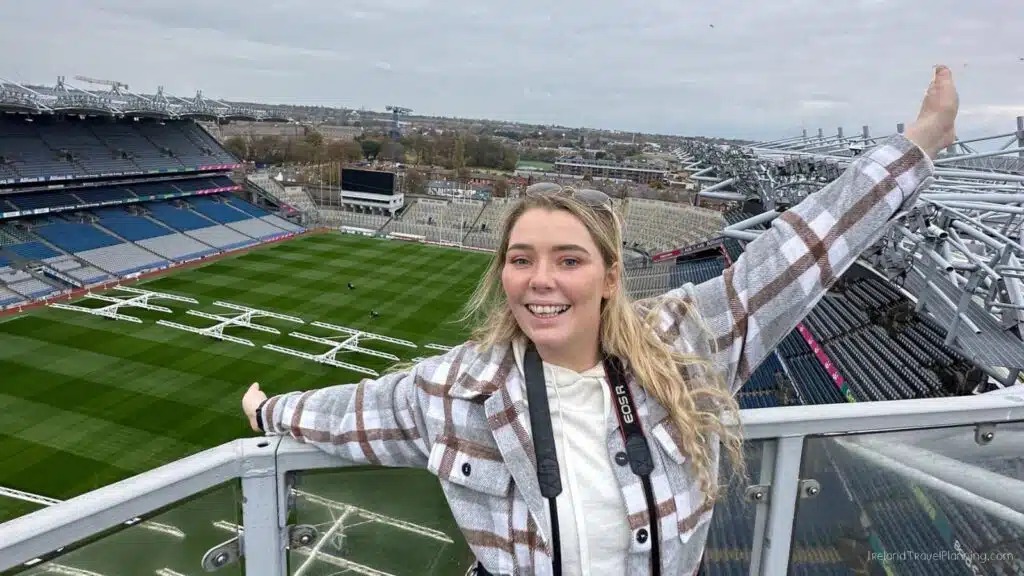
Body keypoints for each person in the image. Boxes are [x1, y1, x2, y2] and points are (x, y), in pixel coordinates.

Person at [243, 66, 959, 576]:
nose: (541, 280)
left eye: (568, 260)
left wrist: (916, 145)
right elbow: (357, 413)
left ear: (612, 277)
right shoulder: (454, 388)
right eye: (521, 259)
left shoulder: (683, 343)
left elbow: (795, 256)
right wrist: (270, 409)